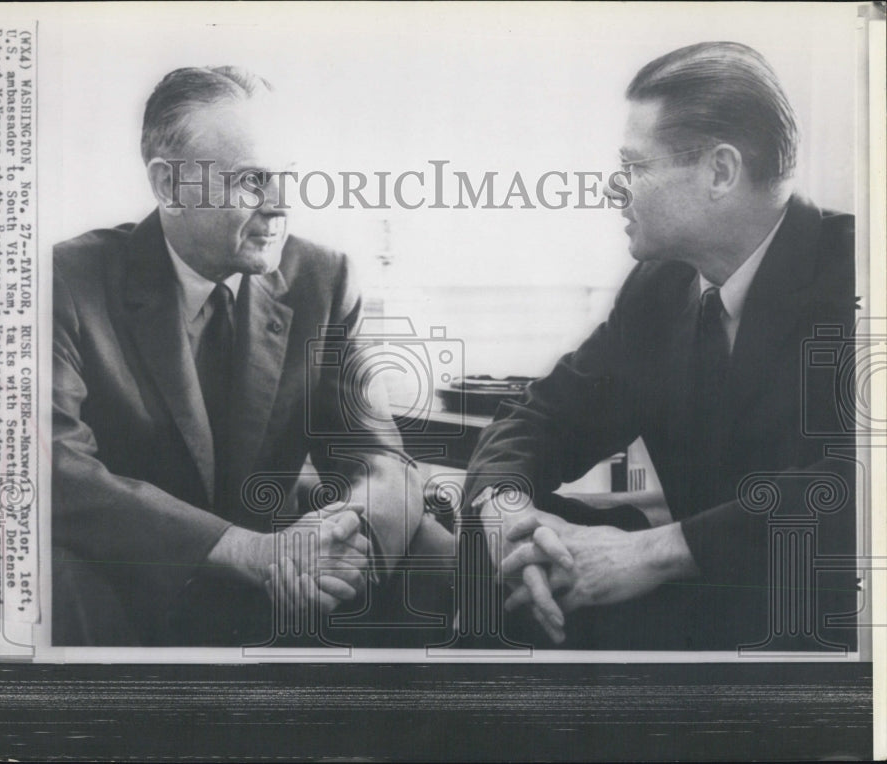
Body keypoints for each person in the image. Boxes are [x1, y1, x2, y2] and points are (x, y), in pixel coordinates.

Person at [462, 42, 857, 651]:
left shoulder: (860, 274)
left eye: (635, 167)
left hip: (841, 632)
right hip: (716, 615)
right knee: (519, 574)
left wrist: (649, 552)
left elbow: (857, 490)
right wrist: (505, 513)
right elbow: (545, 415)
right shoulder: (661, 286)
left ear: (720, 172)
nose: (615, 189)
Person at [52, 66, 448, 646]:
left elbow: (377, 458)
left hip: (283, 579)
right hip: (137, 581)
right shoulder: (66, 280)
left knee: (434, 547)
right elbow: (56, 470)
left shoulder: (323, 279)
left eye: (288, 175)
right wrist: (246, 551)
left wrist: (341, 534)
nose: (282, 203)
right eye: (252, 181)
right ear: (169, 187)